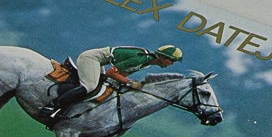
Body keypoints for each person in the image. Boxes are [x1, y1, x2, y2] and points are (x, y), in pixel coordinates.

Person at [39, 45, 183, 125]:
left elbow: (121, 74)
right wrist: (130, 83)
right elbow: (111, 72)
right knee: (89, 86)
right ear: (162, 57)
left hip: (100, 62)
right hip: (92, 59)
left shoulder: (146, 63)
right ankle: (52, 106)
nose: (171, 64)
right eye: (171, 60)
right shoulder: (141, 59)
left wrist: (126, 84)